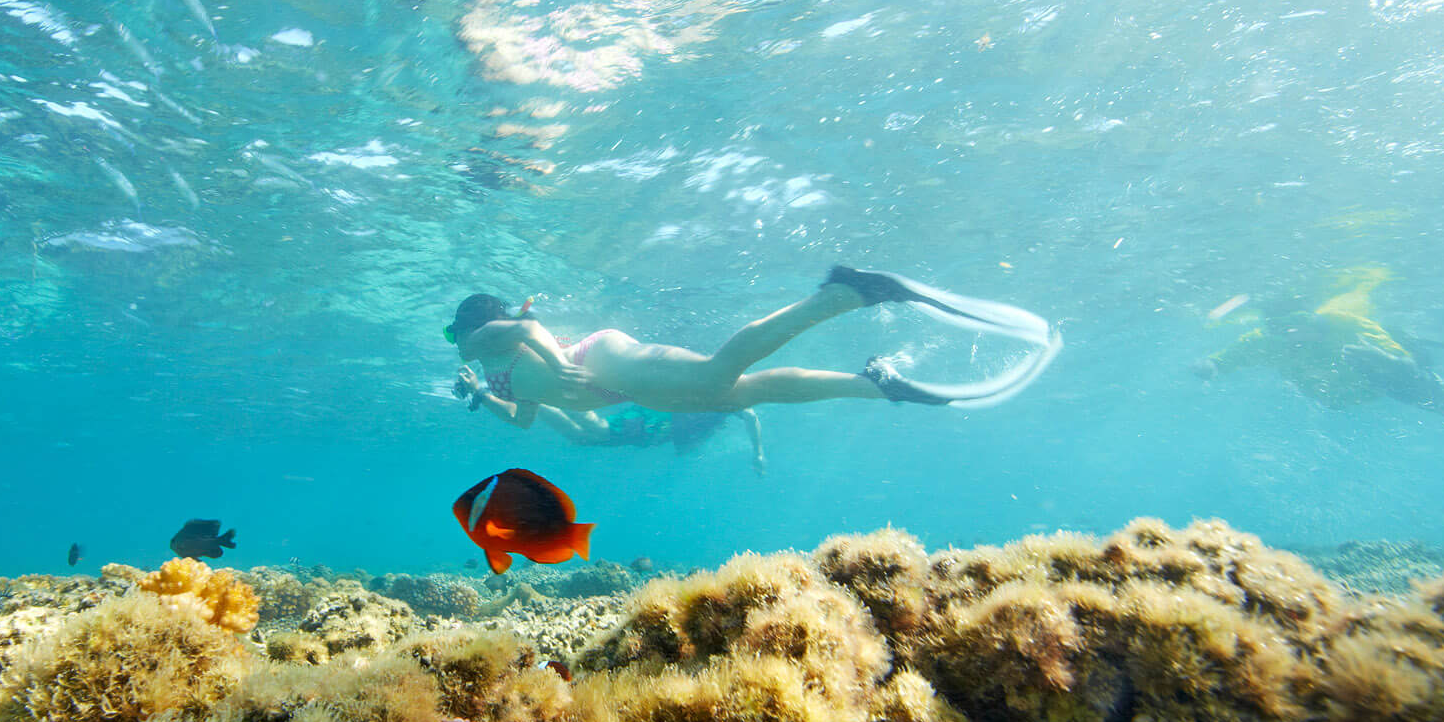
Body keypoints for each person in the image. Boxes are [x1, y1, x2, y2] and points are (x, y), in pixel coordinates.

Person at [443, 266, 1062, 426]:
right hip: (611, 386)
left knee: (718, 375)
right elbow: (525, 423)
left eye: (456, 333)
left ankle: (838, 296)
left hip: (597, 362)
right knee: (734, 396)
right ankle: (875, 382)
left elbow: (529, 330)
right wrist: (478, 399)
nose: (455, 345)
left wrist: (557, 366)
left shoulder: (482, 337)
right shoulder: (491, 374)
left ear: (472, 320)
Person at [1194, 267, 1444, 415]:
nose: (1288, 333)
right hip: (1341, 401)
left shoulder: (1347, 326)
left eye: (1295, 322)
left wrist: (1392, 363)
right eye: (1277, 327)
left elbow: (1407, 368)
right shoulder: (1267, 341)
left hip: (1382, 380)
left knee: (1416, 388)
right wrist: (1209, 366)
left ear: (1311, 316)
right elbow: (1225, 358)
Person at [455, 365, 768, 474]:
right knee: (597, 429)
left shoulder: (726, 396)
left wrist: (758, 453)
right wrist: (758, 453)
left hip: (654, 425)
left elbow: (750, 417)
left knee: (582, 437)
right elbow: (750, 416)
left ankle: (531, 396)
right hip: (653, 423)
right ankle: (536, 391)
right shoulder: (723, 394)